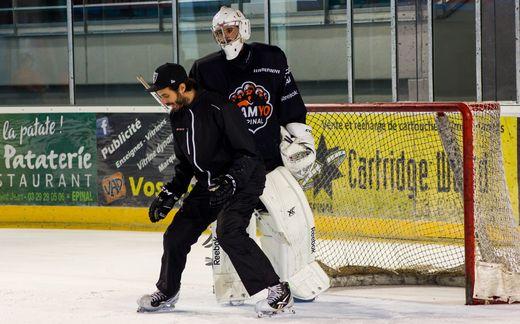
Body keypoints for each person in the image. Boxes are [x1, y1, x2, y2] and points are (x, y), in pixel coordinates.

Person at [189, 6, 330, 304]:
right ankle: (231, 284)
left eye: (230, 30)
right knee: (226, 230)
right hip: (233, 170)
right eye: (219, 33)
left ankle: (299, 276)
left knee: (295, 225)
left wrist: (301, 139)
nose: (226, 38)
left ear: (244, 27)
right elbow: (196, 115)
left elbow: (290, 101)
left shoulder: (272, 58)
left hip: (270, 163)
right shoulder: (204, 69)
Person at [136, 63, 293, 316]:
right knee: (176, 235)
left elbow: (248, 154)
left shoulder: (218, 107)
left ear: (183, 87)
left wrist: (231, 180)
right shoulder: (177, 116)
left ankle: (278, 290)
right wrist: (170, 194)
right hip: (209, 184)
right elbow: (185, 165)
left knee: (229, 231)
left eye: (165, 95)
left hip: (244, 180)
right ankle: (167, 291)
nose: (164, 101)